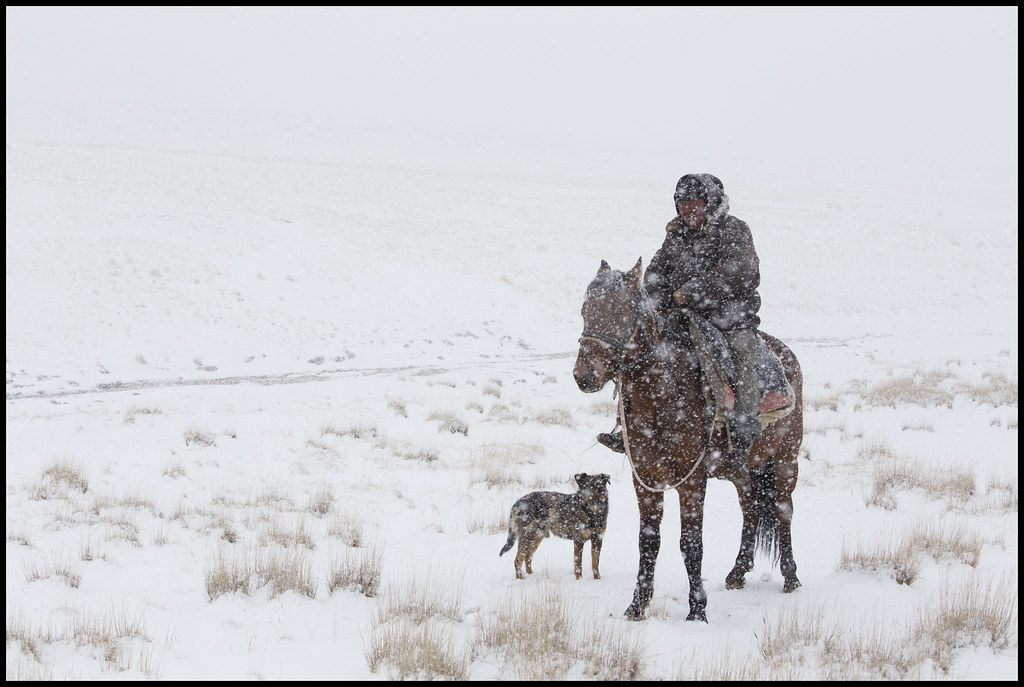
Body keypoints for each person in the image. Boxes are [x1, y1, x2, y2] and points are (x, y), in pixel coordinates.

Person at [597, 173, 762, 480]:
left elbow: (741, 270)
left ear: (709, 202)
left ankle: (741, 438)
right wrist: (653, 298)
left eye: (693, 202)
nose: (687, 209)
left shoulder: (734, 230)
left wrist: (694, 291)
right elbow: (657, 271)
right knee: (641, 351)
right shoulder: (675, 234)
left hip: (730, 317)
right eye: (681, 203)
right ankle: (627, 426)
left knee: (743, 352)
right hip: (682, 317)